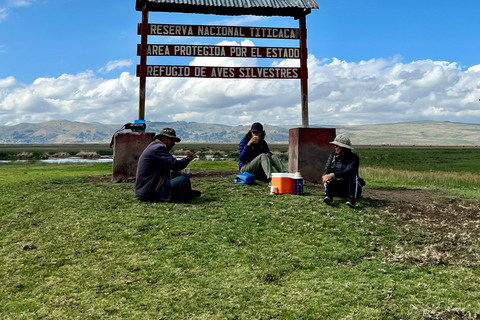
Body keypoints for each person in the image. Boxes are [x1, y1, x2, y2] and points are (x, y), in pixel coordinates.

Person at [135, 128, 201, 202]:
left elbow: (161, 171)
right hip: (150, 191)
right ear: (165, 139)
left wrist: (176, 174)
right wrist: (188, 159)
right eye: (172, 140)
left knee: (180, 176)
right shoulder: (158, 149)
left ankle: (185, 194)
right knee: (184, 179)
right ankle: (184, 196)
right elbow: (175, 165)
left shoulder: (153, 146)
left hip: (147, 190)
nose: (173, 143)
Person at [322, 134, 364, 208]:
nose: (335, 148)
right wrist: (325, 176)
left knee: (352, 174)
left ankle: (351, 199)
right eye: (335, 145)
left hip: (349, 186)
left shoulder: (354, 158)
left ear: (344, 148)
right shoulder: (332, 156)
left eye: (337, 146)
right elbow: (327, 168)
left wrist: (333, 175)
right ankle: (328, 196)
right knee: (328, 176)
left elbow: (348, 170)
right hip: (337, 187)